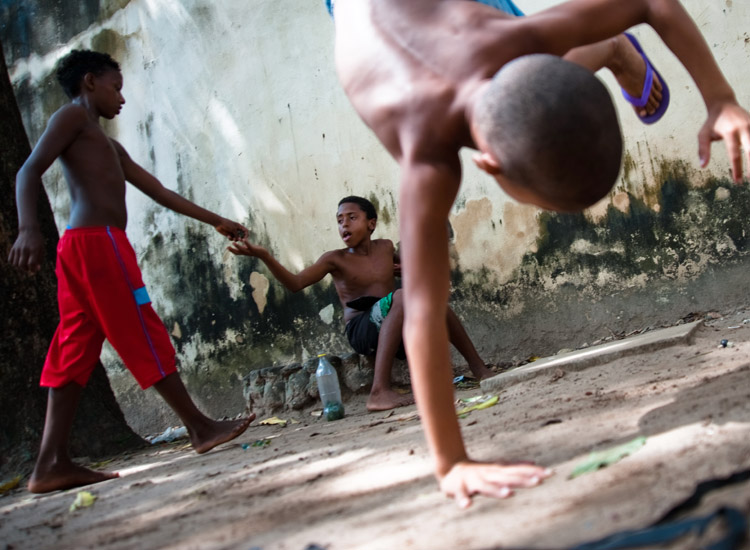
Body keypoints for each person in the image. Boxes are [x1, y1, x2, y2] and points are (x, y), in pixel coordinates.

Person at [329, 0, 750, 507]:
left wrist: (721, 99)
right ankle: (611, 45)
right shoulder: (426, 154)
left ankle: (612, 44)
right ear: (489, 166)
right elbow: (418, 310)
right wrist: (452, 463)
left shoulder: (515, 42)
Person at [7, 50, 255, 494]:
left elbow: (158, 191)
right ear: (89, 82)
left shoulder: (109, 145)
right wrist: (27, 229)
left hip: (86, 250)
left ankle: (50, 463)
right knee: (142, 328)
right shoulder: (71, 119)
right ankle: (200, 427)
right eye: (115, 87)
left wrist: (213, 218)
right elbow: (27, 173)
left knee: (74, 346)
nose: (121, 97)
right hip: (98, 246)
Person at [228, 195, 494, 411]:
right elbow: (295, 284)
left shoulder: (386, 248)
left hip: (398, 328)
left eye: (352, 218)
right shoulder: (335, 259)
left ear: (371, 223)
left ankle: (479, 368)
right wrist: (263, 255)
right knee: (401, 297)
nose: (344, 225)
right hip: (363, 330)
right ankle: (379, 391)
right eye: (340, 221)